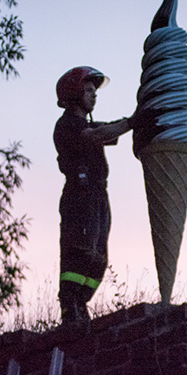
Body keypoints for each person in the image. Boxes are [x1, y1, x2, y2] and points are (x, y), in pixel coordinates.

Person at [53, 66, 135, 325]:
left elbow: (109, 130)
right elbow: (98, 135)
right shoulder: (68, 125)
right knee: (79, 250)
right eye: (89, 90)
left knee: (98, 256)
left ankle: (81, 306)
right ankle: (70, 309)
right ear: (74, 93)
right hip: (80, 196)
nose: (94, 96)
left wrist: (137, 120)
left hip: (97, 195)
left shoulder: (84, 124)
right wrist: (133, 122)